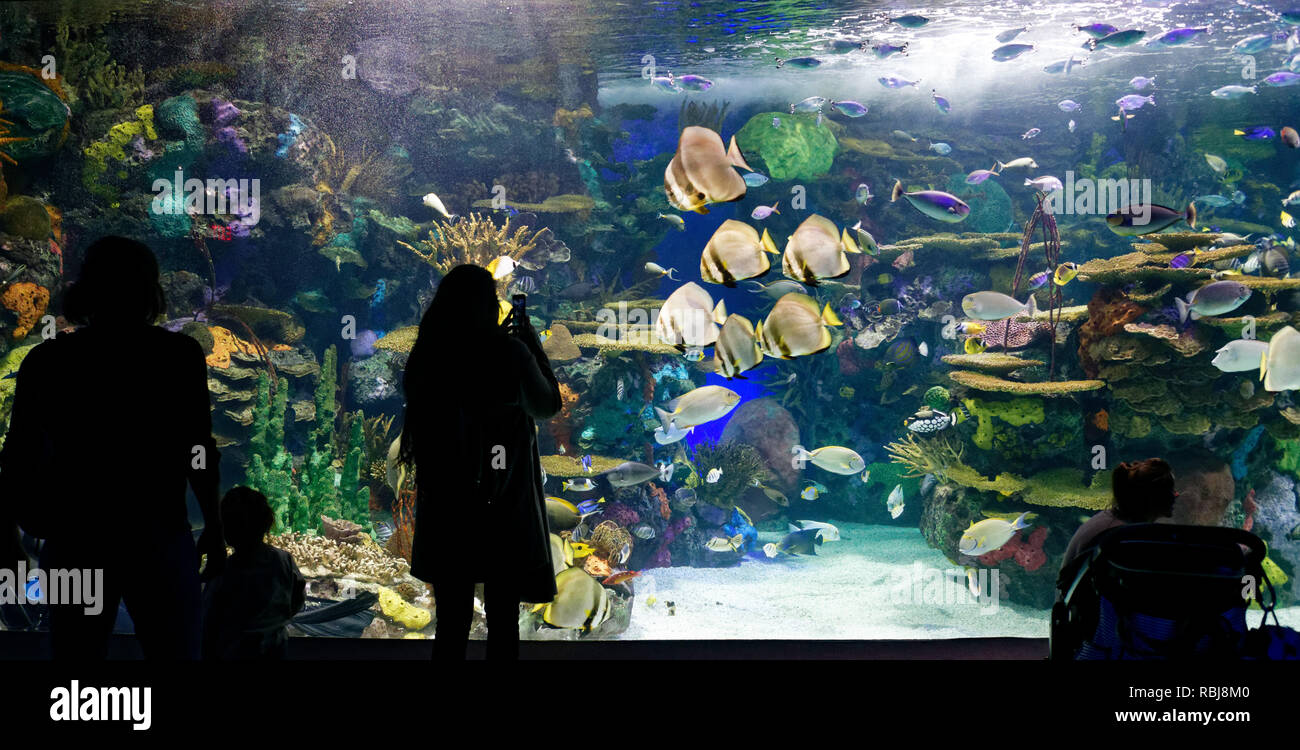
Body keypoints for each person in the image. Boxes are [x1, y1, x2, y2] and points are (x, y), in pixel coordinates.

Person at [0, 236, 224, 659]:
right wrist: (213, 524)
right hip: (158, 535)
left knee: (75, 658)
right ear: (151, 292)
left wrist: (6, 533)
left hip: (77, 537)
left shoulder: (47, 361)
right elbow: (199, 449)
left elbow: (17, 456)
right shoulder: (179, 355)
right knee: (176, 652)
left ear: (85, 291)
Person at [399, 263, 561, 660]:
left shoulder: (429, 354)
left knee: (451, 619)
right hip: (501, 500)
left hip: (448, 499)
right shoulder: (508, 351)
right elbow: (547, 405)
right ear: (490, 306)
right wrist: (531, 345)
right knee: (502, 616)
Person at [201, 486, 305, 660]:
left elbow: (208, 617)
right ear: (267, 523)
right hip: (275, 650)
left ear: (226, 530)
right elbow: (297, 598)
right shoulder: (284, 560)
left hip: (233, 652)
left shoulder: (222, 571)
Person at [1061, 458, 1177, 567]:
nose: (1176, 494)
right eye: (1170, 490)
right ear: (1153, 497)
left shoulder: (1115, 522)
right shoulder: (1120, 537)